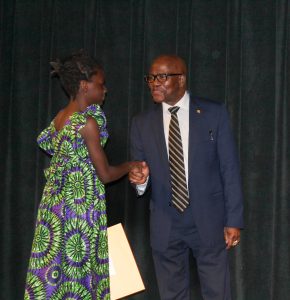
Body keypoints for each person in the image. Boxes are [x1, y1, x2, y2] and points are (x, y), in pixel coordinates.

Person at [24, 50, 142, 300]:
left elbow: (51, 147)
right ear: (84, 86)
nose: (105, 90)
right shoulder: (87, 123)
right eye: (101, 84)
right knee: (78, 274)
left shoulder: (59, 118)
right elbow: (106, 174)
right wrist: (130, 165)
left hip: (55, 210)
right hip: (79, 210)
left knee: (58, 273)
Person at [129, 54, 244, 300]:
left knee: (217, 292)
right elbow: (140, 172)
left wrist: (234, 219)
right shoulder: (141, 123)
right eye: (150, 78)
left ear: (180, 79)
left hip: (208, 219)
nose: (153, 83)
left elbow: (229, 169)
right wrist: (139, 181)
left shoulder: (214, 113)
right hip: (165, 222)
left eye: (161, 77)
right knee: (172, 294)